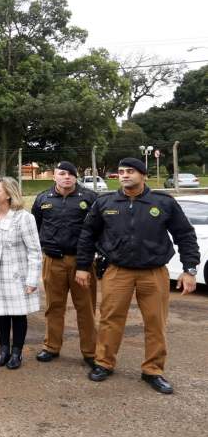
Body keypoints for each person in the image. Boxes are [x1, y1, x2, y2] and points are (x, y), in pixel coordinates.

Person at [76, 158, 199, 394]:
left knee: (155, 323)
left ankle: (153, 370)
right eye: (121, 172)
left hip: (153, 273)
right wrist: (83, 265)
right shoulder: (106, 202)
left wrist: (189, 268)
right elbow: (87, 234)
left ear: (143, 175)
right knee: (110, 320)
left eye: (130, 171)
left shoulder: (163, 202)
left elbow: (185, 234)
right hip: (117, 271)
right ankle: (104, 363)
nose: (124, 175)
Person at [30, 161, 99, 367]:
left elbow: (98, 229)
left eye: (71, 174)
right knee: (54, 306)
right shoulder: (43, 198)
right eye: (62, 173)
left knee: (85, 308)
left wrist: (88, 262)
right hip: (53, 261)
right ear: (54, 176)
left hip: (82, 262)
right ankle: (51, 346)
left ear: (76, 177)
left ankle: (90, 352)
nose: (66, 177)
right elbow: (36, 226)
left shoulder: (90, 198)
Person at [0, 178, 43, 369]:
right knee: (0, 314)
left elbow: (34, 251)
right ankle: (3, 350)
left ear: (8, 194)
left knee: (17, 315)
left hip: (17, 274)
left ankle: (17, 353)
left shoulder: (24, 218)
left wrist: (32, 279)